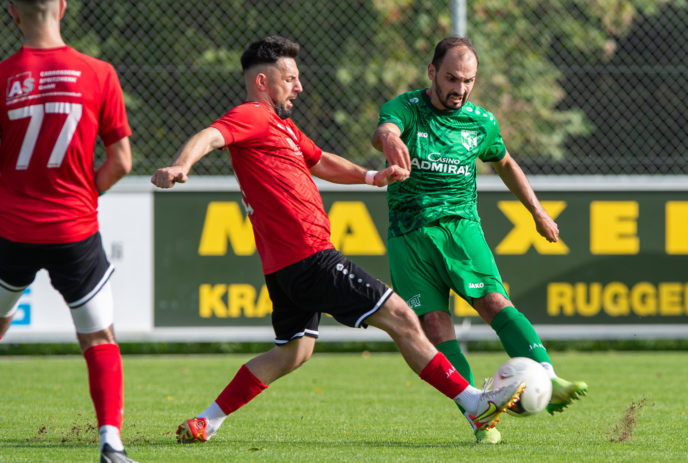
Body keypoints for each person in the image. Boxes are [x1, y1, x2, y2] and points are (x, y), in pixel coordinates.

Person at [151, 35, 525, 445]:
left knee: (293, 352)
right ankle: (474, 404)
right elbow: (211, 135)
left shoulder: (283, 128)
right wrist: (181, 164)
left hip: (284, 268)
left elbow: (321, 161)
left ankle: (207, 421)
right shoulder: (253, 115)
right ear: (262, 82)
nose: (299, 87)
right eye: (290, 79)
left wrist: (372, 177)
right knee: (402, 316)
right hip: (311, 257)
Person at [371, 36, 588, 444]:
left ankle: (549, 376)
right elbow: (384, 129)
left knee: (494, 302)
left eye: (468, 80)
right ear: (432, 72)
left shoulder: (481, 122)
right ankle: (481, 419)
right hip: (408, 235)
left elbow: (505, 162)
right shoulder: (406, 108)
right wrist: (390, 139)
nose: (460, 88)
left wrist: (537, 211)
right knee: (434, 327)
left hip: (461, 228)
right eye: (451, 78)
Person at [0, 1, 136, 462]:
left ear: (12, 13)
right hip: (73, 230)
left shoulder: (3, 77)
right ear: (62, 8)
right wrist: (82, 194)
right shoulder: (99, 73)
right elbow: (121, 162)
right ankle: (111, 444)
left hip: (11, 231)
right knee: (99, 339)